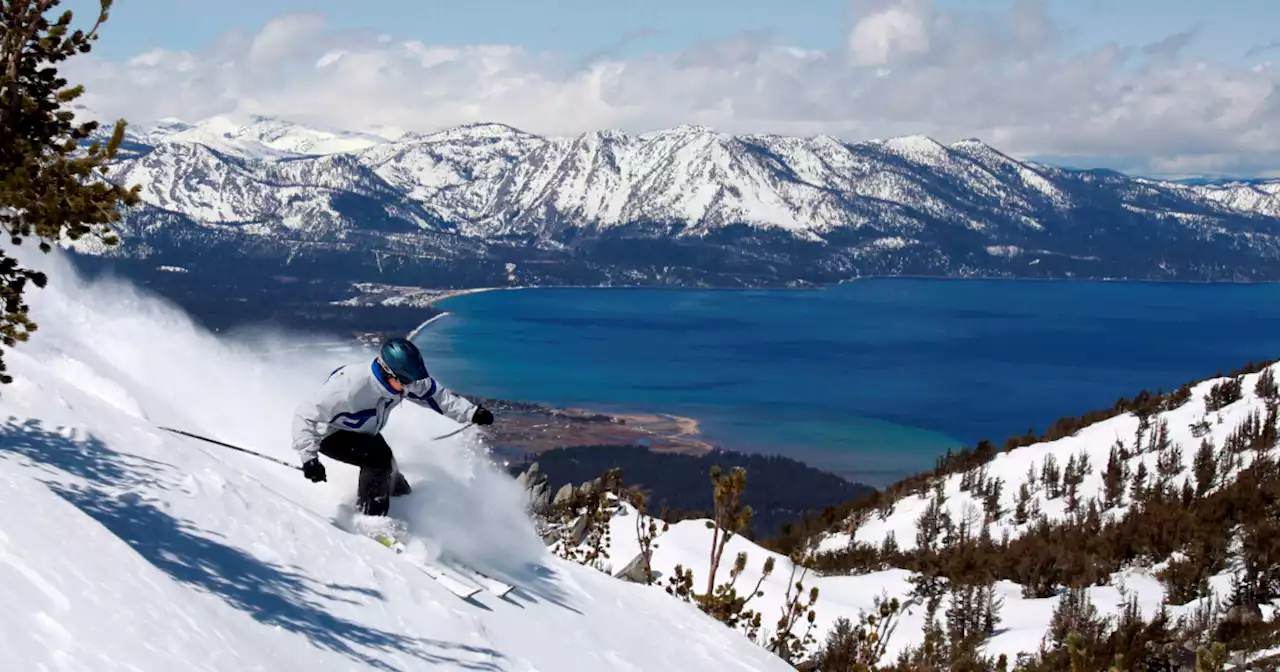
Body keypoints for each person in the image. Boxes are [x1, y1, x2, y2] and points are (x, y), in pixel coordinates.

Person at [291, 336, 494, 516]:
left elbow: (437, 396)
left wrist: (471, 412)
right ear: (387, 371)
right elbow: (305, 415)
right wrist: (310, 459)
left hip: (362, 432)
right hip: (329, 433)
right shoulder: (349, 387)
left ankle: (401, 499)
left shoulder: (405, 381)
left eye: (414, 379)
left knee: (389, 467)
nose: (411, 386)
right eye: (406, 381)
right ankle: (372, 520)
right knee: (377, 459)